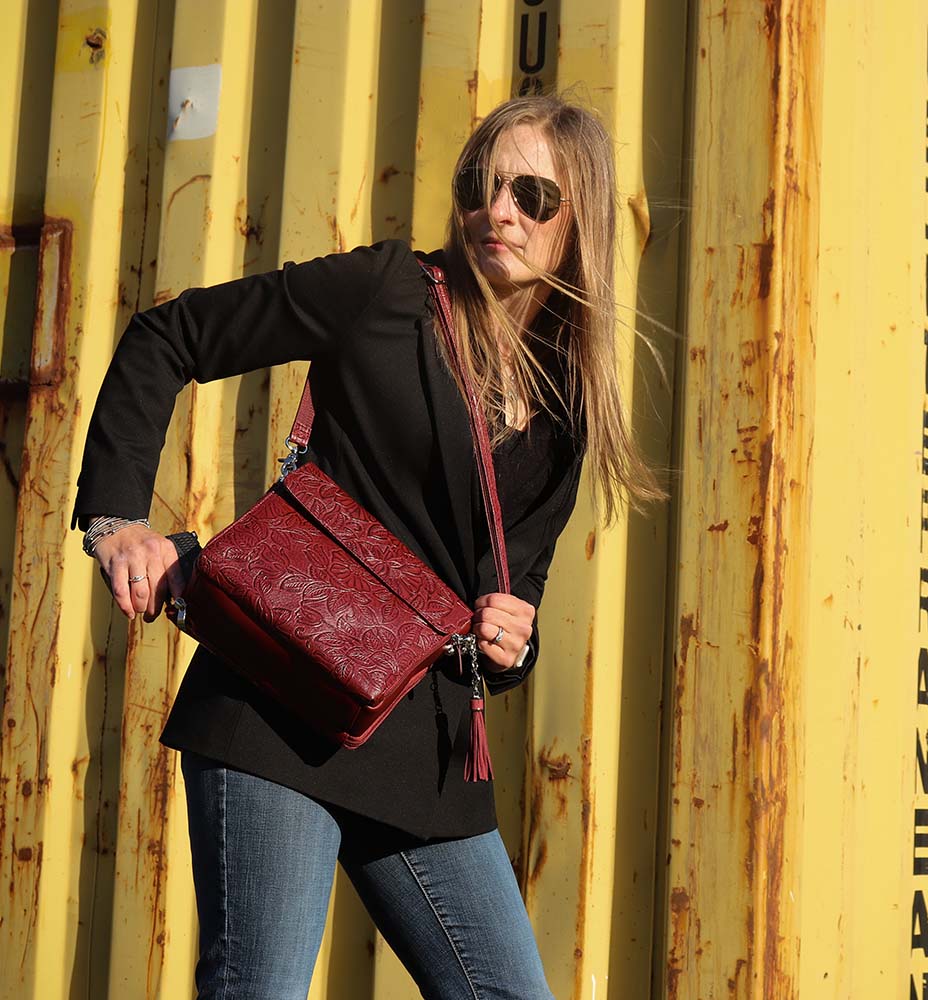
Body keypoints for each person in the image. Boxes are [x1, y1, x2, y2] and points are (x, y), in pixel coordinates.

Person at [74, 94, 662, 1000]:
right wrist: (117, 522)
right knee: (260, 987)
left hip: (422, 745)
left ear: (579, 220)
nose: (497, 211)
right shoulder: (388, 291)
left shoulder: (568, 407)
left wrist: (515, 644)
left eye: (532, 196)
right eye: (480, 184)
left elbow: (515, 594)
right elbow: (170, 335)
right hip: (278, 700)